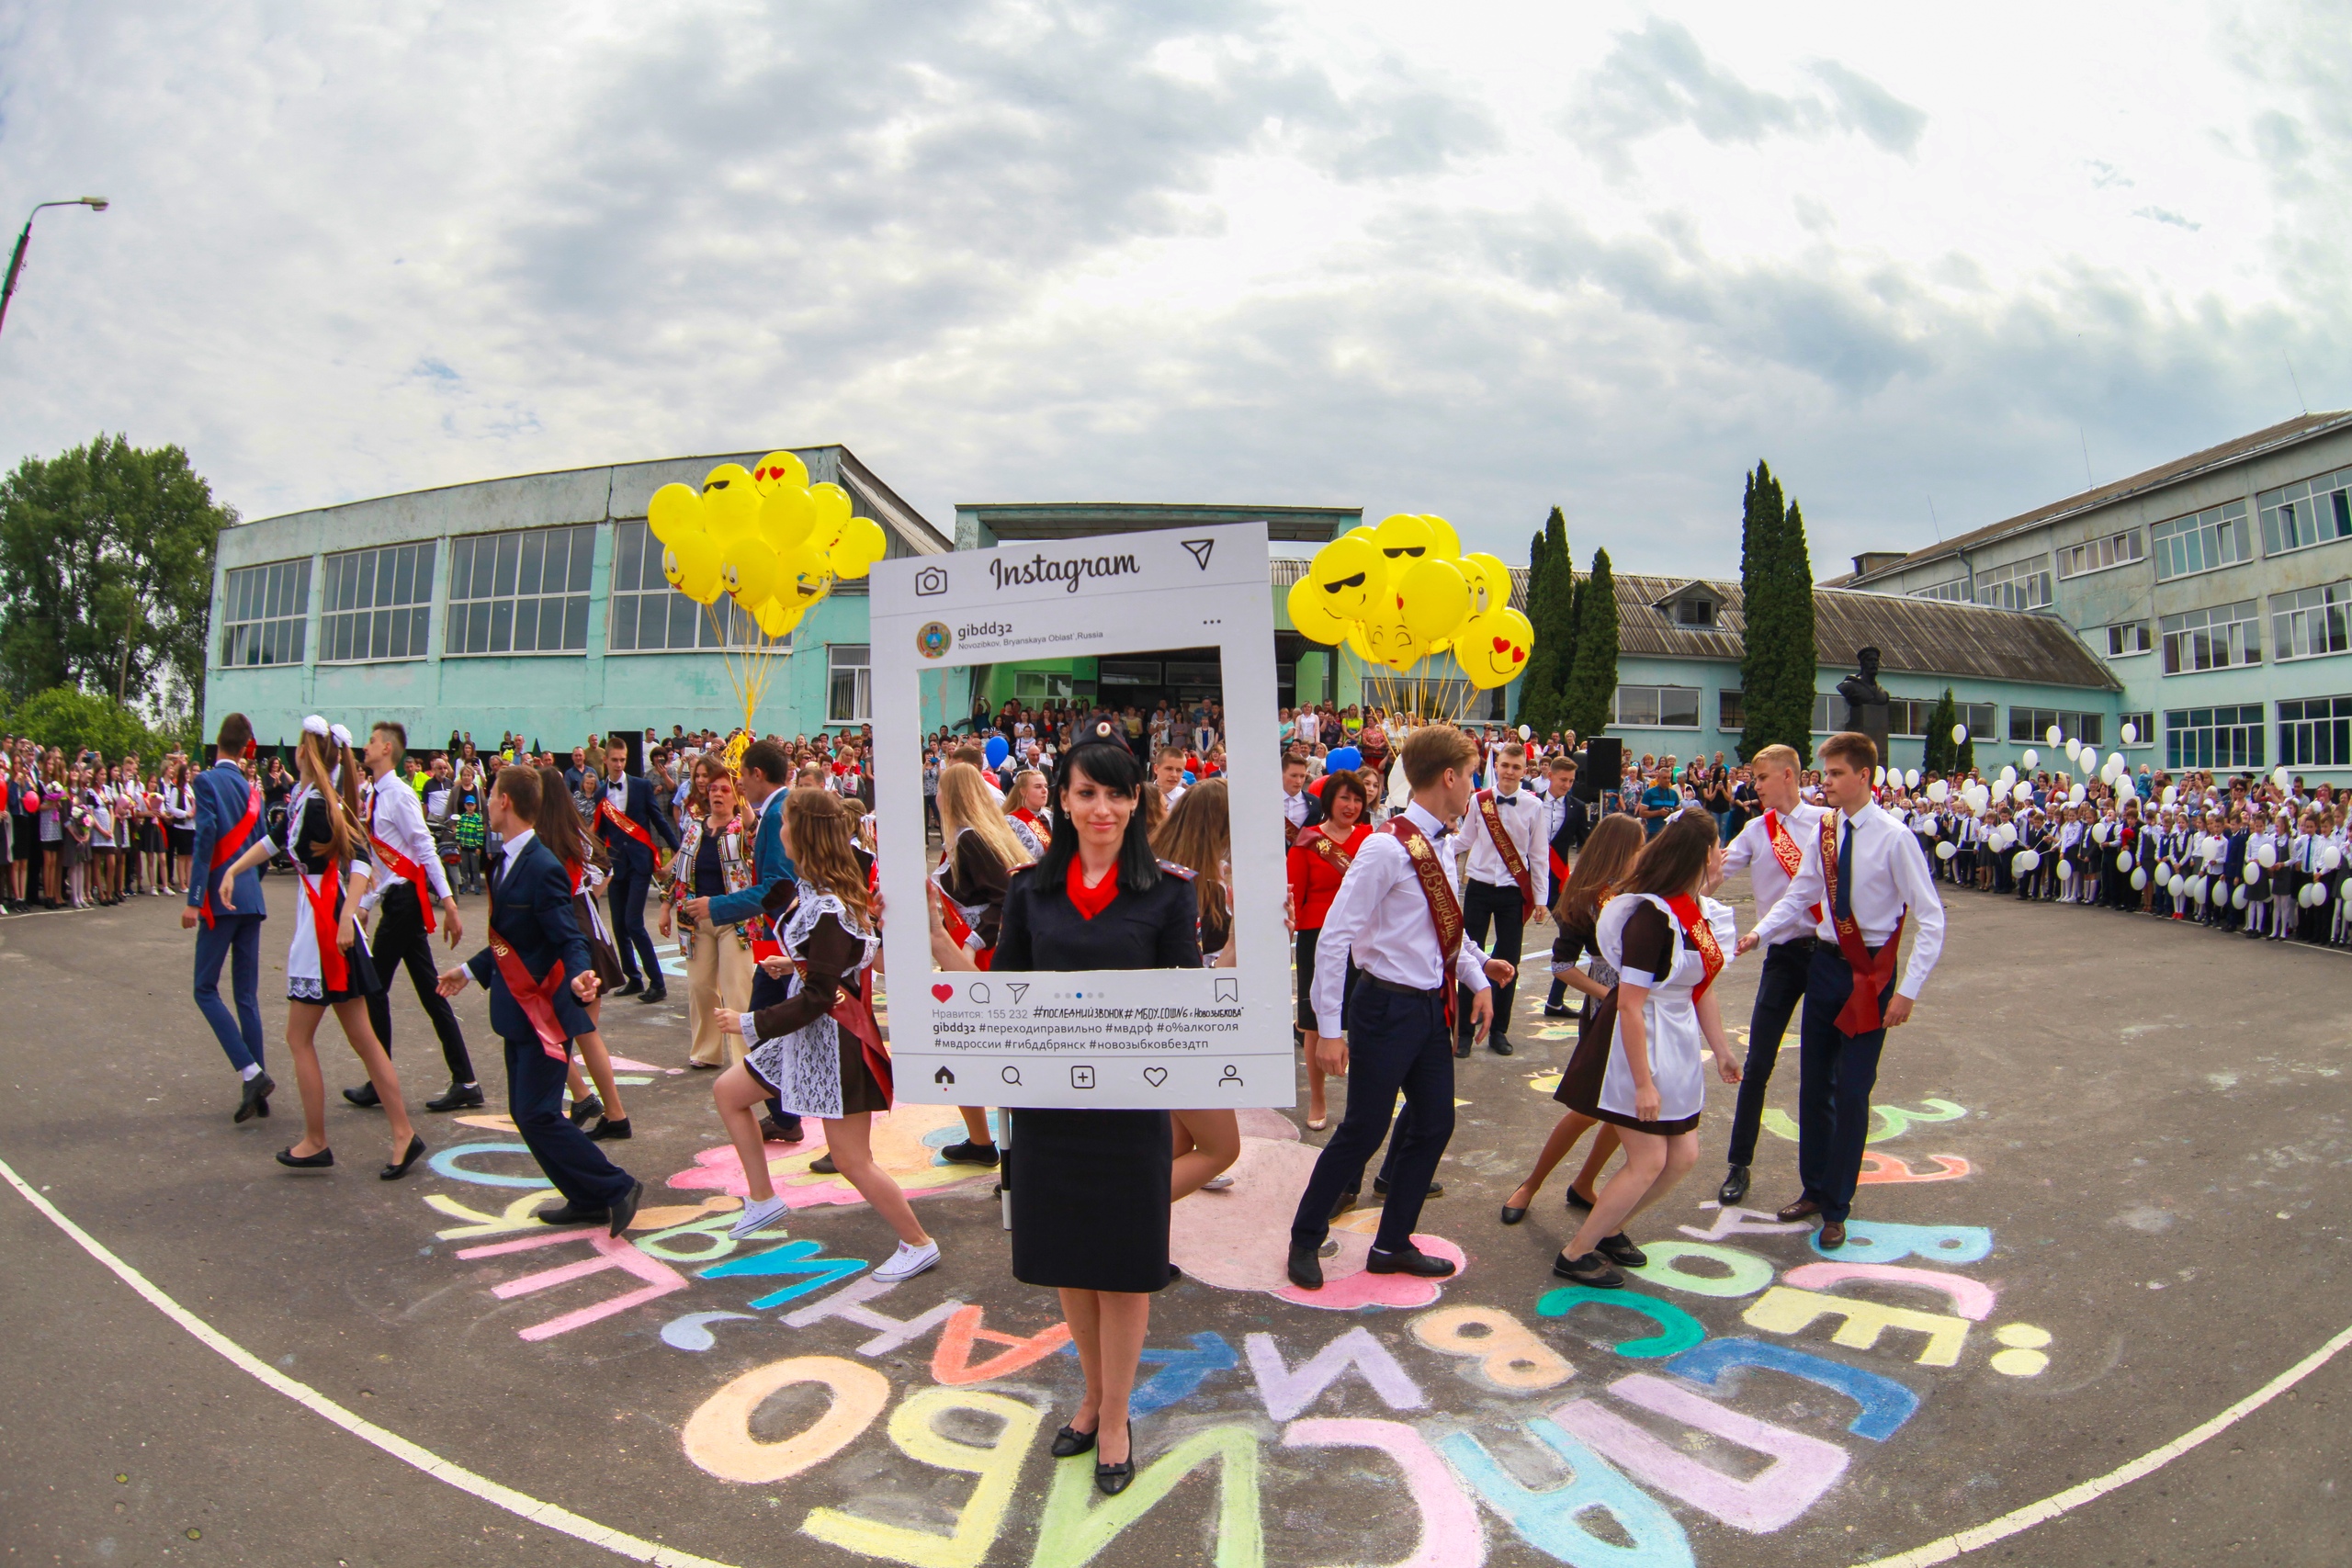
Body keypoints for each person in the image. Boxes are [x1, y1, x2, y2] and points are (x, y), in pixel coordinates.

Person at [930, 716, 1199, 1495]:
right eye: (1087, 792)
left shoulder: (1167, 893)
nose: (1102, 808)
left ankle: (1115, 1415)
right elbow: (1003, 989)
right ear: (1066, 801)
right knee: (1072, 1268)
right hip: (1048, 1111)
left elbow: (1189, 1002)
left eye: (1116, 793)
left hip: (1129, 1112)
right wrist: (933, 953)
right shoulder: (1030, 890)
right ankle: (1090, 1393)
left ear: (1136, 800)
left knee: (1124, 1269)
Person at [1287, 725, 1511, 1292]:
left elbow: (1444, 932)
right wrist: (1330, 1030)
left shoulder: (1440, 841)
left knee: (1436, 1120)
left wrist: (1478, 970)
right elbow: (1334, 939)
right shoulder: (1388, 846)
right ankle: (1305, 1236)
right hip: (1384, 1008)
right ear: (1450, 777)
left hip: (1429, 1009)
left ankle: (1391, 1244)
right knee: (1362, 1130)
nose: (1475, 786)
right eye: (1473, 773)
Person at [714, 787, 939, 1279]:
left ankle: (918, 1241)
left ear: (805, 833)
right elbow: (827, 968)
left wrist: (751, 1022)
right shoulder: (822, 892)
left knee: (852, 1160)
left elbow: (821, 996)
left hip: (835, 1040)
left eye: (785, 824)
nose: (779, 832)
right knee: (728, 1092)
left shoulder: (831, 904)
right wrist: (789, 963)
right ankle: (762, 1199)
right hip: (811, 1035)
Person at [1739, 731, 1946, 1249]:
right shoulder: (1826, 830)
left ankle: (1837, 1206)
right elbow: (1801, 892)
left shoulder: (1895, 837)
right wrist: (1760, 932)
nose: (1824, 782)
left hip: (1871, 975)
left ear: (1864, 777)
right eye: (1823, 772)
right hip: (1826, 968)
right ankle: (1814, 1188)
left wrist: (1908, 992)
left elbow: (1931, 919)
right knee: (1814, 1085)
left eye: (1834, 774)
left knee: (1852, 1091)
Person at [435, 763, 641, 1235]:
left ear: (505, 802)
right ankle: (586, 1197)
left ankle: (615, 1186)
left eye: (491, 798)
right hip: (516, 1006)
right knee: (530, 1113)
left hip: (545, 1008)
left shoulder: (543, 865)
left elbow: (568, 936)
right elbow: (515, 938)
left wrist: (580, 976)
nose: (487, 804)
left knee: (537, 1113)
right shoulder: (507, 859)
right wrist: (469, 971)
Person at [217, 718, 426, 1179]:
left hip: (324, 930)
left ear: (304, 752)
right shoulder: (310, 800)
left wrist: (349, 915)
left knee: (301, 1038)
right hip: (326, 925)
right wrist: (234, 868)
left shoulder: (318, 803)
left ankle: (318, 1140)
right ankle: (401, 1133)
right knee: (363, 1040)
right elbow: (275, 842)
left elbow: (360, 861)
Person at [1552, 808, 1743, 1285]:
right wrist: (1642, 1084)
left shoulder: (1692, 909)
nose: (1722, 855)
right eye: (1718, 846)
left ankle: (1611, 1228)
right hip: (1634, 1042)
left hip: (1675, 1041)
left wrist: (1720, 1050)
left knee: (1684, 1156)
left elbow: (1703, 988)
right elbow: (1631, 1005)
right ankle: (1575, 1253)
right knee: (1651, 1158)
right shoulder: (1650, 917)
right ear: (1701, 854)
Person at [1499, 813, 1645, 1223]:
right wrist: (1611, 996)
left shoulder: (1645, 892)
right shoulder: (1584, 896)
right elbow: (1562, 967)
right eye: (1637, 847)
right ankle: (1530, 1184)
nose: (1643, 854)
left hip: (1645, 1007)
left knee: (1627, 1105)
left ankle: (1584, 1183)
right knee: (1586, 1107)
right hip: (1607, 1010)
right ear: (1620, 850)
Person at [347, 722, 481, 1114]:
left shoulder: (400, 795)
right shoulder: (376, 794)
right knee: (429, 990)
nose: (366, 746)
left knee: (372, 988)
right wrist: (367, 904)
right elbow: (379, 861)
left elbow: (423, 846)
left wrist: (449, 900)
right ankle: (465, 1080)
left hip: (406, 903)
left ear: (387, 748)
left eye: (371, 741)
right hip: (395, 900)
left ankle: (379, 1078)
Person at [1713, 743, 1824, 1206]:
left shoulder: (1825, 824)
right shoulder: (1758, 831)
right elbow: (1716, 872)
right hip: (1781, 954)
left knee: (1820, 1073)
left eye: (1760, 777)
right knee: (1757, 1063)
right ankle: (1739, 1164)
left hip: (1827, 957)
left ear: (1788, 776)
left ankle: (1817, 1183)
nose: (1754, 786)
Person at [684, 740, 801, 1143]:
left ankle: (794, 1113)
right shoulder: (771, 813)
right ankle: (785, 1115)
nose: (737, 788)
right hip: (780, 936)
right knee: (763, 1019)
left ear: (757, 775)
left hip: (787, 937)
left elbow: (778, 887)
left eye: (740, 778)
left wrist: (716, 906)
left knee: (766, 1021)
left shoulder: (776, 814)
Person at [931, 761, 1034, 1165]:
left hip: (980, 957)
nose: (935, 796)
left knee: (988, 1051)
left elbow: (1005, 894)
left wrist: (973, 942)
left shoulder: (971, 839)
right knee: (963, 1050)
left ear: (950, 795)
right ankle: (982, 1142)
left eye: (940, 789)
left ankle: (1017, 1155)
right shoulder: (971, 836)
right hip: (969, 955)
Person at [182, 713, 277, 1123]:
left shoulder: (205, 782)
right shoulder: (250, 788)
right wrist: (249, 885)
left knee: (204, 988)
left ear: (217, 744)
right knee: (246, 996)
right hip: (251, 899)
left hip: (220, 902)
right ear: (244, 749)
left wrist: (194, 897)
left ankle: (252, 1073)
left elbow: (204, 839)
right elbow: (262, 847)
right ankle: (257, 1089)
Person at [1152, 777, 1242, 1199]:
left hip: (1159, 1027)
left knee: (1174, 1146)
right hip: (1186, 1029)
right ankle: (1113, 1222)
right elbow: (1204, 979)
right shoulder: (1194, 885)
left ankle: (1139, 1246)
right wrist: (1244, 938)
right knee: (1220, 1148)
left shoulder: (1156, 866)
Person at [534, 766, 634, 1140]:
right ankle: (596, 1104)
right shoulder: (572, 831)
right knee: (572, 1029)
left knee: (561, 1029)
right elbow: (601, 870)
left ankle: (596, 1104)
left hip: (569, 931)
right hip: (586, 927)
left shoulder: (544, 839)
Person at [1287, 769, 1373, 1132]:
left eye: (1358, 799)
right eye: (1344, 798)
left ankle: (1361, 1102)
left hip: (1364, 937)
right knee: (1314, 1023)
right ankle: (1317, 1097)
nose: (1352, 805)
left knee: (1363, 1017)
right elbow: (1294, 895)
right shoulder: (1308, 841)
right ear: (1329, 801)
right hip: (1318, 938)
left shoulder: (1372, 838)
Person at [663, 756, 758, 1071]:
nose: (717, 794)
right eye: (713, 789)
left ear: (736, 795)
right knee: (700, 986)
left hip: (734, 919)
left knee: (737, 988)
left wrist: (750, 818)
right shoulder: (693, 828)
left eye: (725, 790)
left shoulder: (744, 828)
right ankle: (705, 1051)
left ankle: (744, 1058)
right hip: (696, 920)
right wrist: (666, 907)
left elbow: (758, 850)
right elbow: (679, 871)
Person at [1453, 743, 1547, 1058]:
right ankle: (1464, 1032)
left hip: (1511, 893)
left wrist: (1541, 898)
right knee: (1468, 960)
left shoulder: (1534, 806)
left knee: (1509, 963)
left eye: (1516, 767)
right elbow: (1465, 840)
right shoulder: (1480, 801)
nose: (1509, 772)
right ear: (1498, 765)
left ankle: (1499, 1030)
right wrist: (1433, 840)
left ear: (1525, 771)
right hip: (1478, 887)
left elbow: (1538, 855)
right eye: (1505, 765)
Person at [594, 738, 680, 1003]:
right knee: (619, 926)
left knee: (633, 922)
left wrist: (679, 849)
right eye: (615, 760)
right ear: (606, 760)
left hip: (641, 863)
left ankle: (657, 983)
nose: (619, 764)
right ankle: (632, 977)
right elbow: (599, 833)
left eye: (623, 760)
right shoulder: (600, 793)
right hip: (616, 865)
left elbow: (658, 819)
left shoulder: (641, 786)